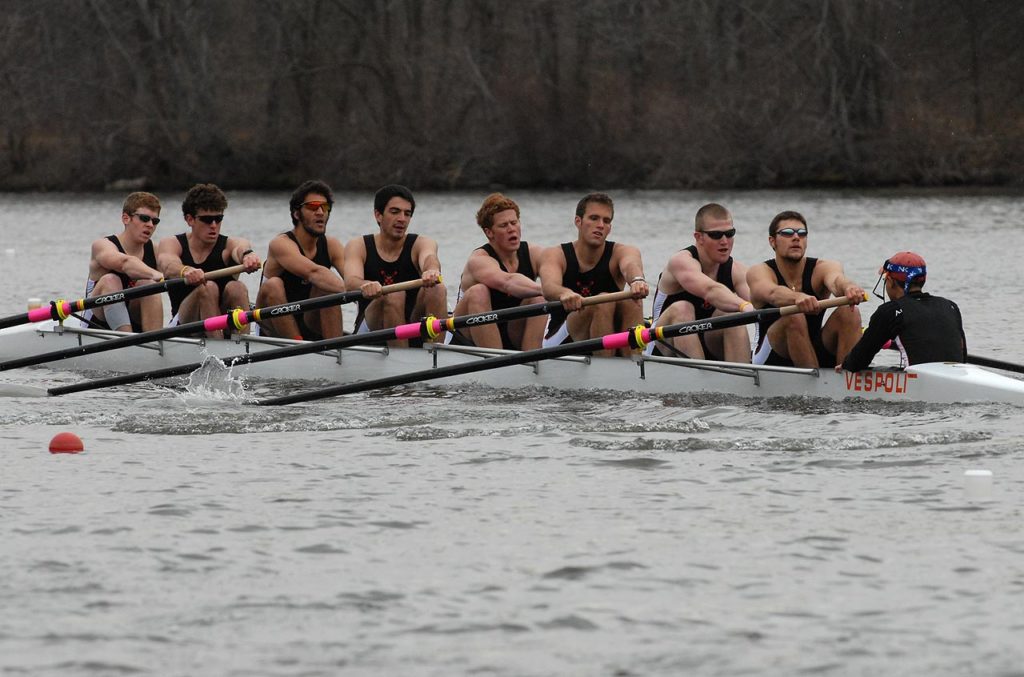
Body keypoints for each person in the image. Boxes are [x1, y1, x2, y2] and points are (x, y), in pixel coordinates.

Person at [746, 210, 864, 368]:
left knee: (850, 311)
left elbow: (836, 281)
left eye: (802, 233)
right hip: (772, 355)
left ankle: (847, 381)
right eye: (787, 233)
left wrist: (849, 287)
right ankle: (815, 387)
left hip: (812, 348)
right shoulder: (759, 272)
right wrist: (797, 298)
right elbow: (772, 293)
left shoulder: (824, 267)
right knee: (794, 316)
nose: (796, 237)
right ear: (772, 241)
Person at [538, 192, 649, 356]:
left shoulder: (623, 251)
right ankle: (605, 371)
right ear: (578, 221)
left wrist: (637, 280)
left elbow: (631, 265)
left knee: (632, 301)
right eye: (594, 218)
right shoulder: (555, 254)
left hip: (607, 335)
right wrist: (564, 293)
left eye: (606, 221)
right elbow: (548, 287)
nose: (600, 225)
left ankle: (632, 363)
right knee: (602, 301)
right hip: (563, 339)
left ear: (610, 228)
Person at [343, 184, 446, 346]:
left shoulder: (422, 243)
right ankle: (401, 359)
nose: (402, 219)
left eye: (407, 214)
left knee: (438, 288)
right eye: (395, 212)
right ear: (378, 215)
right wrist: (365, 285)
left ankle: (437, 353)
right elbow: (350, 282)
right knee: (394, 294)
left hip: (412, 324)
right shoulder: (359, 245)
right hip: (371, 327)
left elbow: (430, 258)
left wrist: (431, 270)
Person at [647, 203, 752, 362]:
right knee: (682, 308)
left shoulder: (737, 271)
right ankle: (698, 380)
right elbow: (710, 290)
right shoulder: (681, 262)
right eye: (716, 235)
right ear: (699, 237)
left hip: (710, 344)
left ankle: (743, 381)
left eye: (730, 233)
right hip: (664, 347)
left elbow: (762, 302)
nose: (724, 241)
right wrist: (744, 306)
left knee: (731, 314)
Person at [157, 184, 262, 338]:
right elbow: (167, 264)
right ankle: (218, 349)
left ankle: (243, 345)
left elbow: (241, 247)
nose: (213, 225)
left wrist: (248, 256)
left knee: (237, 287)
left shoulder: (228, 245)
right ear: (190, 219)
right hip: (184, 326)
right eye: (207, 220)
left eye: (218, 219)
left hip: (221, 322)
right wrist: (185, 271)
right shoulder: (172, 243)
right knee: (208, 287)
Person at [450, 193, 546, 350]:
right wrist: (548, 289)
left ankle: (533, 363)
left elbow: (560, 269)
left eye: (514, 222)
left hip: (511, 331)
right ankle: (496, 364)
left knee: (538, 299)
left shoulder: (534, 253)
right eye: (503, 225)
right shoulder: (479, 260)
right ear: (489, 232)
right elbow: (507, 282)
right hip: (467, 336)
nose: (511, 229)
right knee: (478, 291)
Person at [840, 251, 966, 371]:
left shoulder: (890, 311)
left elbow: (857, 362)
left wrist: (845, 365)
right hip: (957, 378)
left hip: (920, 386)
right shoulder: (950, 306)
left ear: (890, 282)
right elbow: (962, 356)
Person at [255, 179, 346, 340]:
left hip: (308, 320)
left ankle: (337, 350)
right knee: (273, 285)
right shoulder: (281, 244)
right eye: (312, 207)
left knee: (327, 287)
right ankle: (298, 347)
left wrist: (367, 286)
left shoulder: (332, 245)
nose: (320, 212)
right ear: (296, 213)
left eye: (325, 207)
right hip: (274, 325)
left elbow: (353, 278)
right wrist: (353, 290)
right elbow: (314, 272)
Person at [82, 191, 166, 332]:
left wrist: (185, 271)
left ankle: (156, 343)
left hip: (135, 318)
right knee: (111, 280)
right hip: (97, 324)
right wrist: (154, 274)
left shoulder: (156, 251)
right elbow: (125, 263)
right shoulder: (102, 246)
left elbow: (172, 266)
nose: (150, 225)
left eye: (155, 221)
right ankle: (128, 342)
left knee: (147, 284)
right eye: (144, 218)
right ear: (126, 218)